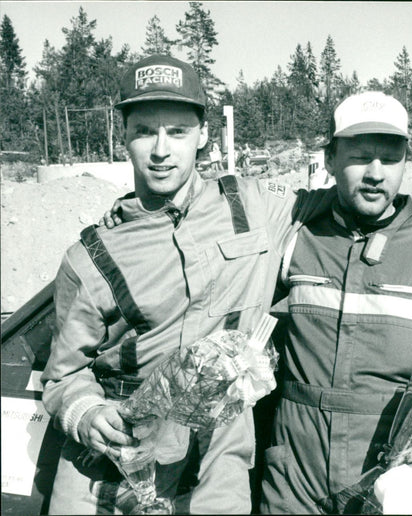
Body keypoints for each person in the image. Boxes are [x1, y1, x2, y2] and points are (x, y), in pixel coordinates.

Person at [41, 54, 332, 514]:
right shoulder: (91, 255)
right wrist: (86, 413)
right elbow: (63, 375)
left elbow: (357, 201)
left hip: (217, 461)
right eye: (145, 131)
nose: (161, 150)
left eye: (177, 132)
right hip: (115, 465)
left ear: (203, 136)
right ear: (126, 138)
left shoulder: (253, 206)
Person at [260, 91, 412, 513]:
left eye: (391, 158)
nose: (376, 173)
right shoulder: (295, 239)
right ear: (329, 159)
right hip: (293, 477)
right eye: (360, 156)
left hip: (391, 483)